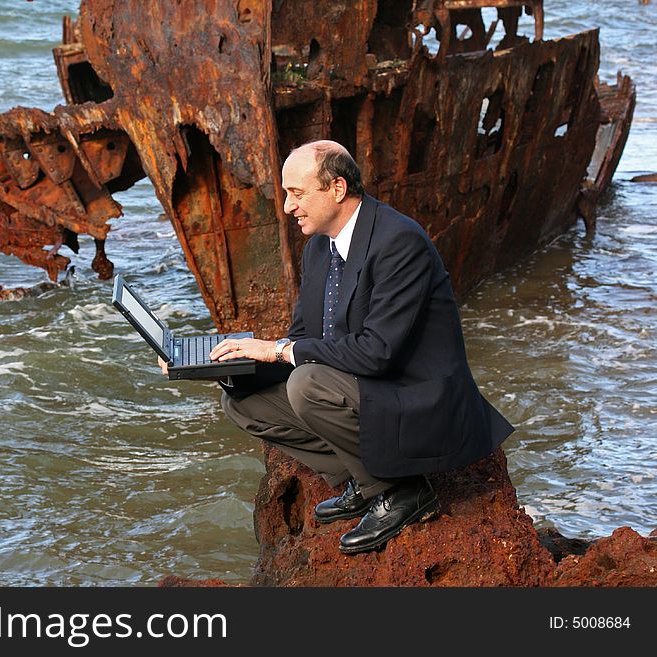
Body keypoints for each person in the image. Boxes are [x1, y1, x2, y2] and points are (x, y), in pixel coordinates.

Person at [206, 139, 514, 554]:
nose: (287, 207)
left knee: (307, 383)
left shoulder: (399, 242)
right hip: (366, 389)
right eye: (285, 194)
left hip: (418, 398)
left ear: (336, 188)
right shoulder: (319, 248)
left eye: (296, 194)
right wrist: (227, 367)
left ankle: (404, 491)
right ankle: (365, 479)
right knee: (243, 404)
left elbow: (376, 352)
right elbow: (303, 338)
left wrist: (276, 350)